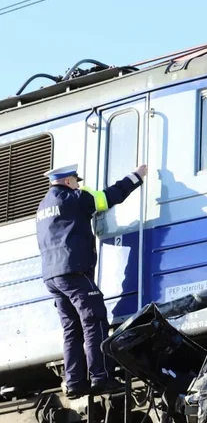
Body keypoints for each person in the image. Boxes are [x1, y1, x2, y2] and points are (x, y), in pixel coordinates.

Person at [36, 163, 147, 398]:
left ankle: (74, 382)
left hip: (51, 276)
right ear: (68, 181)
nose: (79, 183)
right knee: (94, 319)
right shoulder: (76, 198)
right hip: (74, 271)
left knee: (71, 328)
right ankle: (100, 376)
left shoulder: (42, 206)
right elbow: (109, 196)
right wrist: (136, 176)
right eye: (76, 180)